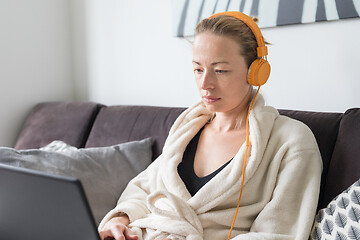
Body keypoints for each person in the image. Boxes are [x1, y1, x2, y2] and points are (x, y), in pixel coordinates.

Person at [98, 11, 322, 240]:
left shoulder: (290, 141)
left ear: (256, 73)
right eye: (198, 69)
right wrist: (120, 219)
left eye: (220, 70)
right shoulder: (187, 129)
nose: (205, 84)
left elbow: (278, 232)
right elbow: (143, 189)